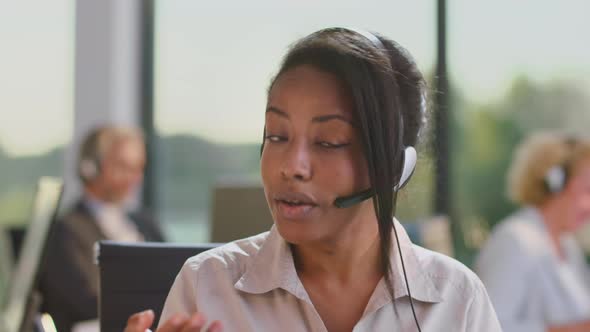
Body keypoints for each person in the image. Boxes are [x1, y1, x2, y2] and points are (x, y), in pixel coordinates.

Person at [125, 27, 501, 332]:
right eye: (277, 136)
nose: (292, 166)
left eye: (328, 141)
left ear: (393, 167)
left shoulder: (457, 300)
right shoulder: (206, 285)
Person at [40, 125, 165, 332]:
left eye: (138, 168)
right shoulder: (64, 231)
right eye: (123, 167)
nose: (134, 177)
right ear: (90, 168)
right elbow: (84, 303)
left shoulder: (145, 223)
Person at [476, 132, 590, 332]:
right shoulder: (513, 240)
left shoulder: (568, 246)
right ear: (556, 183)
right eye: (587, 190)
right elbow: (487, 324)